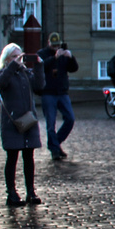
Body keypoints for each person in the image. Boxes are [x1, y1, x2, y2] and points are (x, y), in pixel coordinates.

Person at [0, 42, 45, 207]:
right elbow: (0, 83)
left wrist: (39, 66)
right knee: (12, 157)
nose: (19, 59)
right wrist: (12, 67)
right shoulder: (4, 72)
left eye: (20, 56)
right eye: (15, 56)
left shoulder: (25, 73)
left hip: (28, 120)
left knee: (29, 157)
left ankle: (30, 191)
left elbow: (39, 87)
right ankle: (11, 192)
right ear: (8, 58)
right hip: (13, 122)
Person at [37, 33, 79, 161]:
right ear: (48, 43)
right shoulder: (42, 53)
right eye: (53, 45)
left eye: (57, 45)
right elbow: (40, 67)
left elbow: (74, 68)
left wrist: (70, 57)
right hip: (48, 92)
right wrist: (54, 58)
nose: (56, 48)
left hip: (62, 92)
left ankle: (55, 143)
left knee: (70, 119)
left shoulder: (63, 54)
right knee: (51, 123)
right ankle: (55, 150)